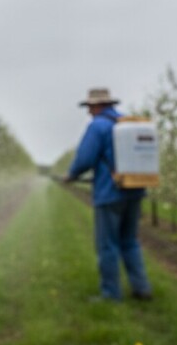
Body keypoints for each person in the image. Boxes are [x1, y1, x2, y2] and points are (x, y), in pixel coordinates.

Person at [65, 88, 153, 301]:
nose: (89, 112)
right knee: (130, 241)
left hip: (109, 193)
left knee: (108, 244)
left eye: (90, 108)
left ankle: (111, 293)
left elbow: (85, 158)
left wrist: (72, 174)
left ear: (97, 106)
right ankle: (141, 288)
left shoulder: (98, 126)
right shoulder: (128, 123)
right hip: (135, 189)